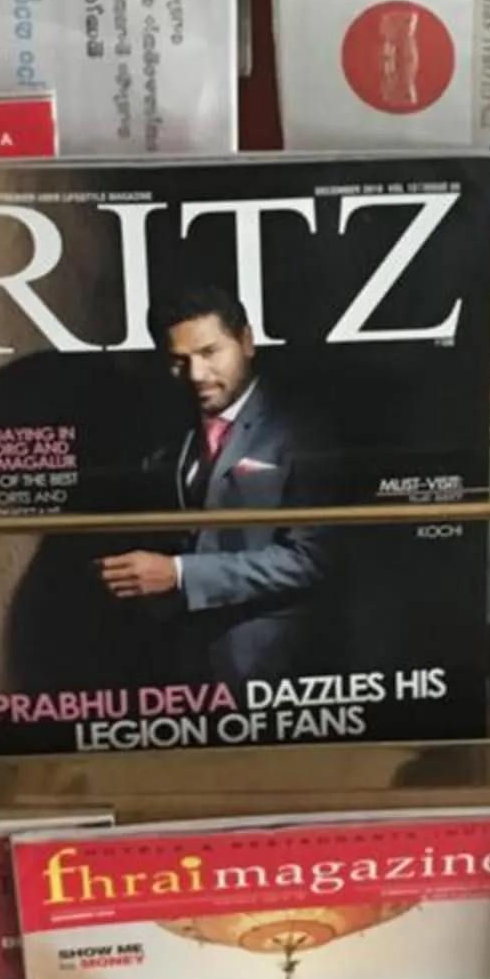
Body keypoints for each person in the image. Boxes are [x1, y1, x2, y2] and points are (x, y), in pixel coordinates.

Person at [96, 285, 329, 688]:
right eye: (178, 360)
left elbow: (312, 558)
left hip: (275, 663)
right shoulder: (168, 430)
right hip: (182, 664)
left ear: (247, 342)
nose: (196, 375)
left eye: (209, 353)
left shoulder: (301, 428)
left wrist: (182, 574)